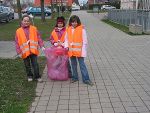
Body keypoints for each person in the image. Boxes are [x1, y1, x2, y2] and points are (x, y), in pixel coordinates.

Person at [15, 15, 45, 82]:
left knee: (35, 64)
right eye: (25, 21)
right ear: (22, 21)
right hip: (24, 51)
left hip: (33, 50)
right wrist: (18, 51)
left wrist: (42, 45)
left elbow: (38, 37)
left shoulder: (34, 28)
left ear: (30, 21)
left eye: (28, 21)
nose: (26, 22)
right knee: (27, 65)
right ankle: (30, 76)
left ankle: (37, 76)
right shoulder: (18, 31)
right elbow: (17, 42)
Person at [64, 15, 93, 86]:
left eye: (75, 22)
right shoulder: (68, 29)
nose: (74, 23)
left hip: (80, 51)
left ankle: (86, 79)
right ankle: (75, 77)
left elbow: (85, 41)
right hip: (71, 51)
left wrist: (83, 51)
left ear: (78, 22)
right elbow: (66, 39)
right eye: (72, 22)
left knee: (82, 65)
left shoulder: (82, 30)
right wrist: (67, 46)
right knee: (73, 64)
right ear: (70, 22)